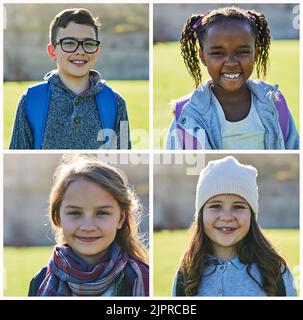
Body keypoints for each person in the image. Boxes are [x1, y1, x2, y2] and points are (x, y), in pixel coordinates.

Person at [166, 6, 299, 150]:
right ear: (203, 57)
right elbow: (172, 167)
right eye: (217, 53)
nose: (231, 62)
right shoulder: (187, 113)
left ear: (255, 54)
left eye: (242, 52)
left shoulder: (274, 104)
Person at [172, 156, 297, 296]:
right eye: (215, 206)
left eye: (238, 206)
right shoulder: (187, 271)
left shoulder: (274, 270)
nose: (226, 217)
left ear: (252, 214)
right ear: (201, 214)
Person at [10, 8, 131, 149]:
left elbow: (122, 160)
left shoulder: (115, 103)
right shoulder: (31, 100)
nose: (80, 51)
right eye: (69, 43)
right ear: (52, 51)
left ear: (97, 50)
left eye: (89, 44)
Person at [28, 155, 148, 296]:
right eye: (75, 213)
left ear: (120, 218)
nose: (88, 226)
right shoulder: (40, 281)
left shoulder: (143, 280)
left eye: (102, 212)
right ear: (57, 217)